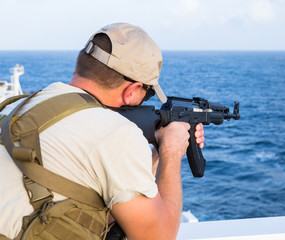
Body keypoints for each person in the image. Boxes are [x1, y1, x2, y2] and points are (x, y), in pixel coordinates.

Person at [0, 22, 205, 239]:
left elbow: (85, 199)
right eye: (147, 94)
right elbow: (158, 236)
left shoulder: (18, 106)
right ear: (132, 91)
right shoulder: (115, 134)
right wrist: (172, 152)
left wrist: (154, 153)